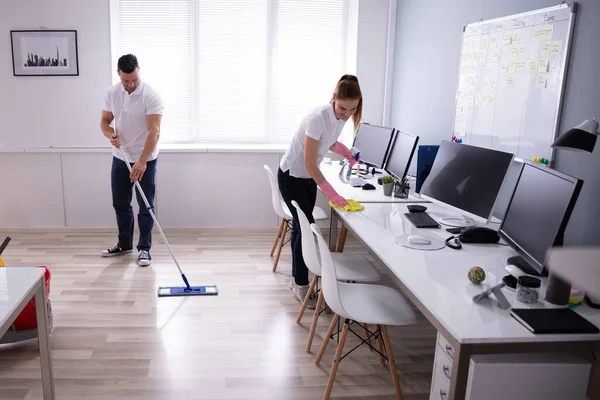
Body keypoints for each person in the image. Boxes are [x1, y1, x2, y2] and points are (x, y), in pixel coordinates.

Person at [278, 74, 362, 307]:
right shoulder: (318, 118)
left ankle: (299, 279)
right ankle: (301, 285)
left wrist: (346, 152)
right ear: (334, 98)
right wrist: (332, 194)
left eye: (352, 110)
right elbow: (310, 163)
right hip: (292, 176)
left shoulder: (340, 116)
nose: (347, 115)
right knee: (304, 229)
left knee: (305, 227)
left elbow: (329, 142)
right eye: (343, 109)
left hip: (306, 178)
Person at [100, 54, 164, 266]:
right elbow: (104, 122)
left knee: (145, 206)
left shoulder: (151, 95)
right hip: (121, 157)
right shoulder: (112, 92)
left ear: (139, 70)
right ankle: (124, 243)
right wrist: (111, 135)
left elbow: (154, 132)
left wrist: (142, 161)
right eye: (126, 80)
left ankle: (144, 248)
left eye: (134, 79)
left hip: (146, 158)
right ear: (118, 74)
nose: (131, 84)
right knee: (120, 203)